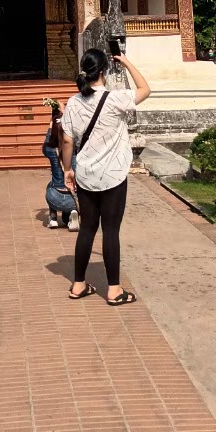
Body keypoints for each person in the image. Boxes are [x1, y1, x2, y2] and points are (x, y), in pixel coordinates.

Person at [61, 48, 150, 305]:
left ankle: (78, 284)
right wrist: (125, 62)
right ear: (103, 71)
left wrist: (68, 169)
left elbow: (67, 140)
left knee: (87, 229)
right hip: (113, 175)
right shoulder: (115, 99)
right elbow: (145, 89)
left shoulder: (74, 102)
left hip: (86, 174)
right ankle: (114, 290)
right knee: (111, 231)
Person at [43, 102, 79, 230]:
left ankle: (53, 218)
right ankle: (72, 214)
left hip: (55, 197)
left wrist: (51, 126)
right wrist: (66, 116)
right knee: (75, 187)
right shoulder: (75, 149)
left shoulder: (50, 150)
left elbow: (47, 142)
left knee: (50, 185)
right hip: (74, 198)